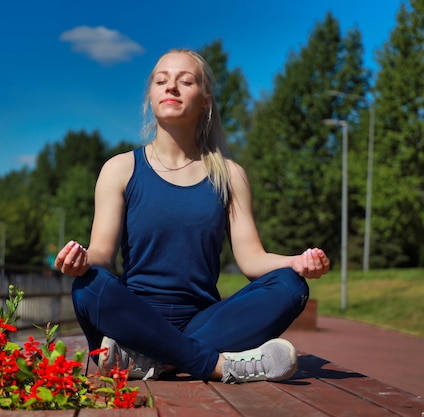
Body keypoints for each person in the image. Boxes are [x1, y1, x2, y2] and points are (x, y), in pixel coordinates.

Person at [55, 48, 330, 384]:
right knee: (88, 287)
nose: (171, 87)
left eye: (185, 81)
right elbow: (101, 255)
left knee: (290, 286)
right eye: (161, 81)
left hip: (204, 321)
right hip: (134, 318)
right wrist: (81, 260)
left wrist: (296, 263)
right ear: (151, 97)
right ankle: (219, 366)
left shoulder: (229, 176)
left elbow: (251, 259)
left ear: (205, 101)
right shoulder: (120, 169)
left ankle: (154, 360)